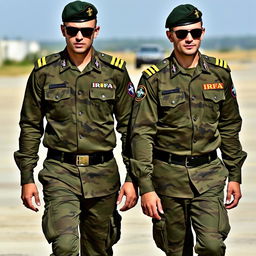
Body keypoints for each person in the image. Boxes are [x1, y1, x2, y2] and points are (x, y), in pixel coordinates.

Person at [14, 1, 138, 255]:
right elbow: (30, 126)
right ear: (63, 30)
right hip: (60, 173)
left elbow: (131, 129)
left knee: (98, 250)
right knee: (65, 247)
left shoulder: (114, 72)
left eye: (86, 31)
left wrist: (132, 178)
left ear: (96, 31)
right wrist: (26, 178)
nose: (79, 36)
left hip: (103, 176)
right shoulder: (44, 73)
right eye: (72, 31)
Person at [130, 4, 247, 256]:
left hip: (209, 176)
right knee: (175, 250)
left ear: (202, 32)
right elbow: (142, 134)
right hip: (168, 179)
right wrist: (146, 187)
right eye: (182, 34)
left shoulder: (219, 74)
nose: (189, 39)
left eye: (194, 32)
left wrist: (235, 175)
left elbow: (229, 127)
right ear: (170, 35)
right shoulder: (154, 79)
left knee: (212, 246)